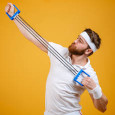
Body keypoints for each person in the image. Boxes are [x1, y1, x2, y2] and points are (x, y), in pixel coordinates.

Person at [5, 3, 108, 115]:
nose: (75, 41)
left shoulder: (89, 74)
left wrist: (95, 89)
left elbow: (102, 108)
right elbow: (34, 38)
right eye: (78, 38)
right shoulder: (60, 52)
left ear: (88, 51)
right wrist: (14, 16)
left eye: (80, 41)